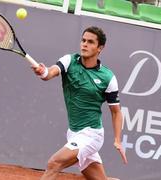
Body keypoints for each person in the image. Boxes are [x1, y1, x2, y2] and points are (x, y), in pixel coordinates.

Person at [32, 26, 127, 180]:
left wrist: (117, 139)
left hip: (91, 135)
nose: (84, 44)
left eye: (90, 42)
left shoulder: (108, 77)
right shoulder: (69, 61)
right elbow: (50, 73)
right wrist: (43, 71)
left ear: (100, 48)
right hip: (74, 133)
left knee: (54, 163)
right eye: (83, 40)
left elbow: (116, 112)